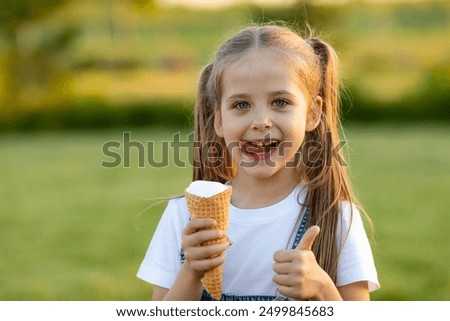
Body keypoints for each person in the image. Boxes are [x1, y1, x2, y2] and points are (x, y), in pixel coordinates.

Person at [137, 24, 379, 301]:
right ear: (218, 119)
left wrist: (323, 290)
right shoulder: (182, 216)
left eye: (280, 102)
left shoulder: (335, 217)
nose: (261, 121)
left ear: (312, 113)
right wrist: (191, 271)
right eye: (241, 105)